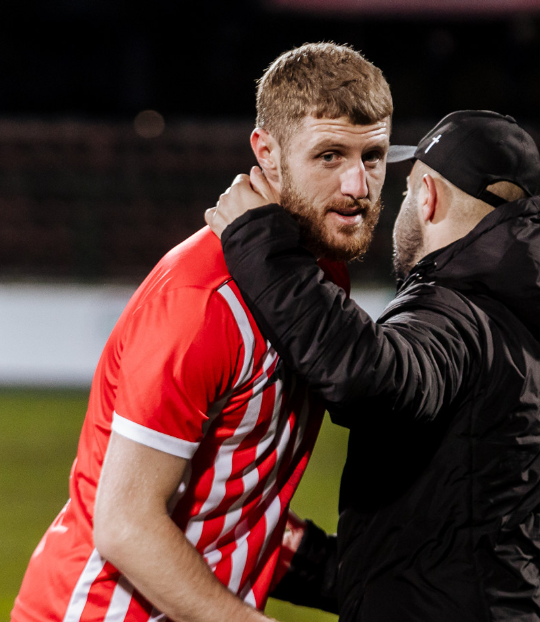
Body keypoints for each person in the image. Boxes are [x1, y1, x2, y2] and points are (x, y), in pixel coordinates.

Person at [12, 42, 392, 622]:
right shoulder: (202, 302)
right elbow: (126, 524)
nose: (358, 187)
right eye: (329, 157)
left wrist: (349, 576)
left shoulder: (319, 279)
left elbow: (231, 495)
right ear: (266, 153)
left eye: (373, 157)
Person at [206, 110, 540, 621]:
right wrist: (300, 558)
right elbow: (467, 567)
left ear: (427, 197)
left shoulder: (456, 314)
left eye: (403, 193)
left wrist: (257, 242)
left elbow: (367, 376)